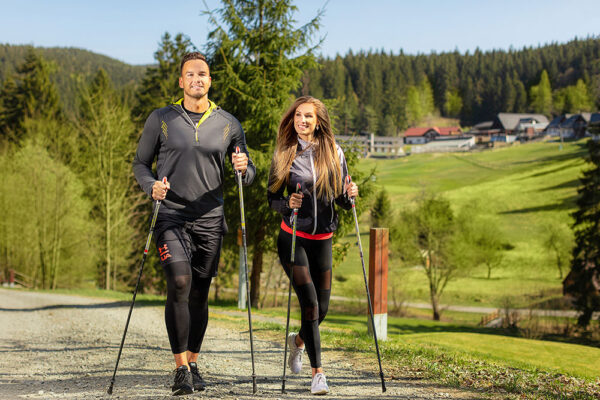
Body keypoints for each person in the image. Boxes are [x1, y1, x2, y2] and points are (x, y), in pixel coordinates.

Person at [133, 52, 255, 395]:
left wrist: (244, 167)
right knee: (180, 282)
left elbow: (249, 174)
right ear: (181, 81)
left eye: (203, 74)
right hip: (171, 215)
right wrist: (150, 186)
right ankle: (180, 368)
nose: (197, 79)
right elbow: (141, 164)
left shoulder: (229, 124)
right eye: (190, 74)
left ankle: (194, 361)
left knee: (200, 294)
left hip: (211, 219)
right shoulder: (161, 118)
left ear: (210, 81)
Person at [267, 96, 358, 395]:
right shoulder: (284, 152)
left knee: (323, 310)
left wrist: (350, 193)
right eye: (297, 116)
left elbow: (343, 202)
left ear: (318, 121)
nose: (301, 120)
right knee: (309, 303)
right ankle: (318, 374)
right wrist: (286, 204)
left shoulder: (334, 153)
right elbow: (272, 199)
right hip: (293, 238)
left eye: (308, 116)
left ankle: (297, 343)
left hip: (323, 240)